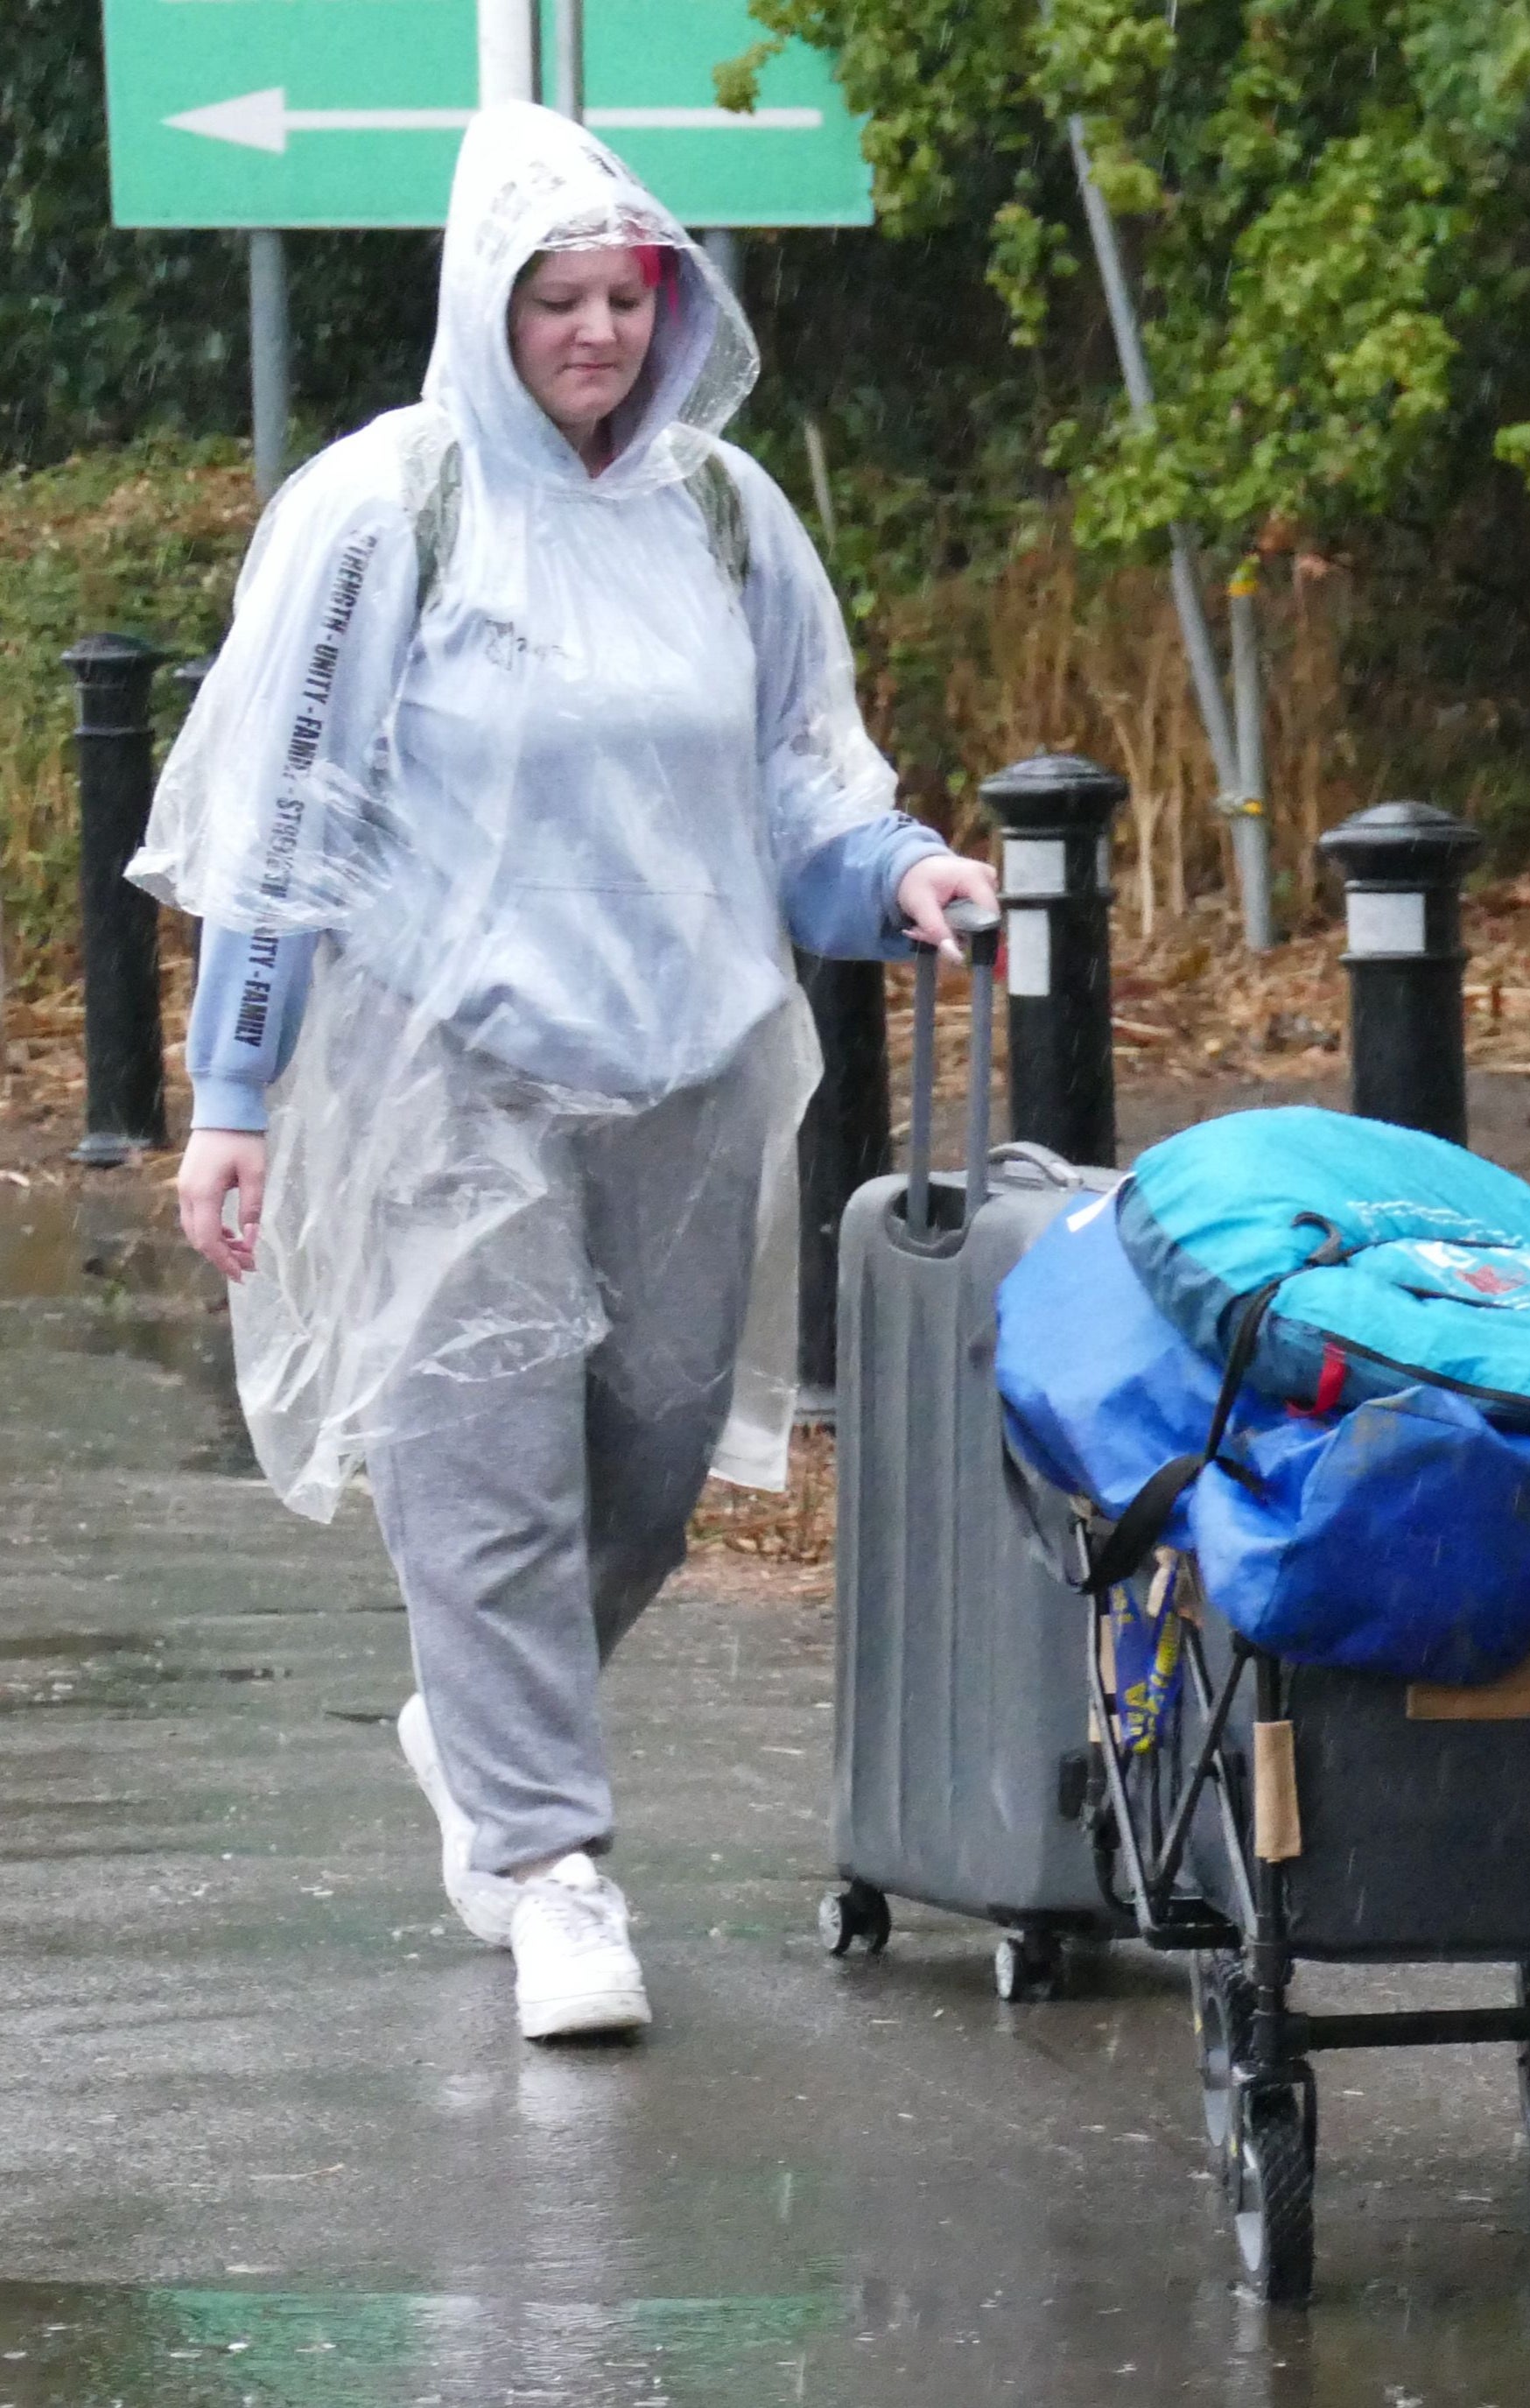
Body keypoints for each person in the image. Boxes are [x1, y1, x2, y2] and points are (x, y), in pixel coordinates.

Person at [136, 106, 997, 2045]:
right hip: (457, 1061)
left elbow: (803, 769)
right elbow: (296, 815)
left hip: (691, 1053)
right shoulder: (392, 510)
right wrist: (235, 1092)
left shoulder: (720, 512)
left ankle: (478, 1720)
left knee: (654, 1469)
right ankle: (548, 1864)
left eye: (628, 296)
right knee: (486, 1454)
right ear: (487, 305)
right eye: (559, 298)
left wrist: (900, 869)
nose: (598, 331)